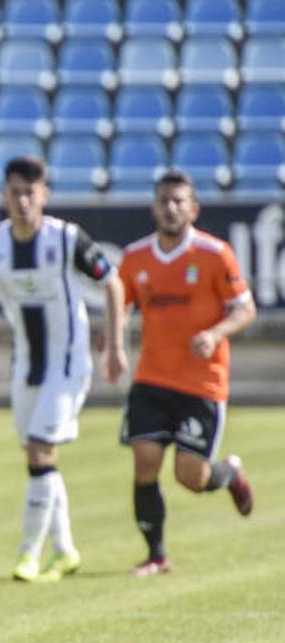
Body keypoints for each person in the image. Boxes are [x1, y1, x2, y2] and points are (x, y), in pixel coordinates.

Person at [0, 156, 125, 583]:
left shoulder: (65, 239)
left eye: (30, 192)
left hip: (68, 362)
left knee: (41, 447)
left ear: (44, 195)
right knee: (39, 457)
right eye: (15, 193)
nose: (23, 200)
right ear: (4, 196)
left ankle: (28, 554)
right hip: (26, 364)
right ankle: (66, 551)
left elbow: (113, 281)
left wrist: (114, 344)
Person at [113, 171, 256, 576]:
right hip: (152, 378)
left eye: (179, 201)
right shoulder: (135, 257)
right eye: (164, 201)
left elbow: (245, 308)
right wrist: (113, 343)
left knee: (190, 477)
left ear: (193, 208)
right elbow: (120, 304)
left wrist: (215, 333)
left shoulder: (215, 254)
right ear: (153, 207)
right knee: (145, 462)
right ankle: (157, 554)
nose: (171, 208)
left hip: (201, 383)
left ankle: (228, 474)